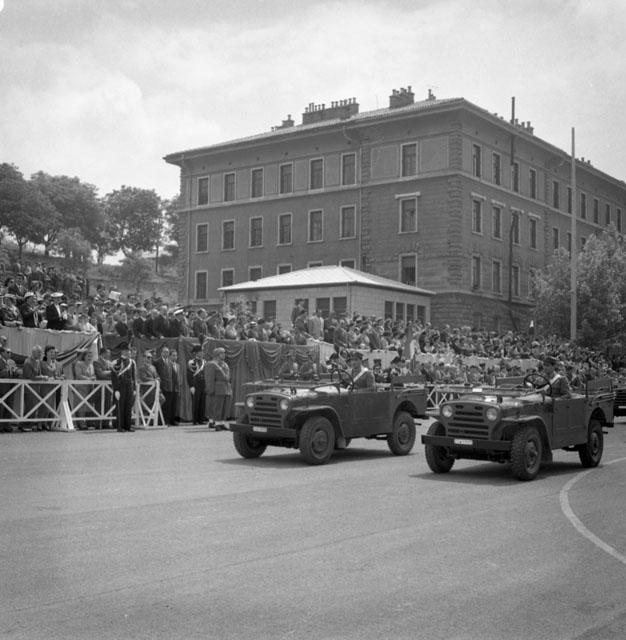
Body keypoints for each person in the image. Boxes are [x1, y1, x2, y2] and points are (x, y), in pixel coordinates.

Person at [22, 345, 49, 431]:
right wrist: (42, 377)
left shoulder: (37, 362)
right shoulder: (28, 362)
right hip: (29, 388)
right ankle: (24, 425)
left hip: (36, 388)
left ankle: (29, 424)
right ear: (33, 352)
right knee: (29, 406)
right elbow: (30, 376)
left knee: (33, 407)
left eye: (41, 352)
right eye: (39, 352)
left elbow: (38, 374)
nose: (41, 354)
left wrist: (41, 377)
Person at [205, 347, 232, 430]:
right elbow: (210, 378)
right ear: (217, 354)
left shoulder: (225, 364)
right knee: (218, 407)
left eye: (224, 353)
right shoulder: (212, 364)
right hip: (218, 388)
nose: (224, 355)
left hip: (226, 388)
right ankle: (217, 423)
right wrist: (210, 389)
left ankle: (222, 423)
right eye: (222, 353)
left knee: (224, 407)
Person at [111, 343, 136, 432]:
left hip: (129, 387)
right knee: (120, 406)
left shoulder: (132, 362)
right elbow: (114, 377)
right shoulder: (116, 362)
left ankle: (127, 426)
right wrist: (116, 389)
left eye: (128, 350)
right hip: (120, 387)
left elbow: (133, 377)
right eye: (126, 350)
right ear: (122, 351)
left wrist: (134, 388)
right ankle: (120, 426)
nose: (128, 352)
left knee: (128, 406)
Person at [74, 350, 96, 429]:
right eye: (88, 356)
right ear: (84, 357)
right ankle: (80, 423)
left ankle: (86, 422)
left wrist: (93, 378)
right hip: (81, 388)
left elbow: (93, 375)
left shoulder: (91, 366)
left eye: (91, 356)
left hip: (89, 388)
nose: (90, 358)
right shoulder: (79, 363)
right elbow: (79, 375)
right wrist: (89, 379)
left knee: (87, 406)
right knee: (80, 406)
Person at [154, 346, 175, 426]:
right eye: (165, 352)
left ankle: (166, 421)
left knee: (168, 405)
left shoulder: (170, 362)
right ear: (161, 353)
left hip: (169, 386)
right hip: (161, 386)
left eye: (167, 352)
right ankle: (159, 421)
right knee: (161, 404)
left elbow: (171, 375)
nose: (166, 353)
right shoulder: (157, 362)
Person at [0, 345, 19, 432]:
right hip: (2, 387)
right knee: (1, 406)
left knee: (10, 405)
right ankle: (0, 425)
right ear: (2, 353)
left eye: (11, 352)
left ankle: (7, 424)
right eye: (8, 352)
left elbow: (17, 374)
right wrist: (6, 370)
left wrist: (16, 371)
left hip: (11, 387)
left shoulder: (12, 362)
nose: (10, 354)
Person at [93, 347, 113, 428]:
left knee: (108, 404)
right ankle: (97, 424)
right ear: (104, 353)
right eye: (108, 352)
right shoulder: (96, 362)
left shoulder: (109, 362)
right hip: (100, 386)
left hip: (109, 386)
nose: (110, 354)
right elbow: (100, 373)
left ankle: (106, 423)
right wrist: (110, 372)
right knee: (99, 405)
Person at [187, 344, 206, 425]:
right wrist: (191, 386)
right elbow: (189, 375)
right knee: (196, 402)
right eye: (200, 352)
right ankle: (195, 420)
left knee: (202, 402)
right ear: (195, 353)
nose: (201, 353)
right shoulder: (192, 362)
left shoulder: (204, 362)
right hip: (195, 384)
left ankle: (201, 419)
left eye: (202, 352)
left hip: (203, 384)